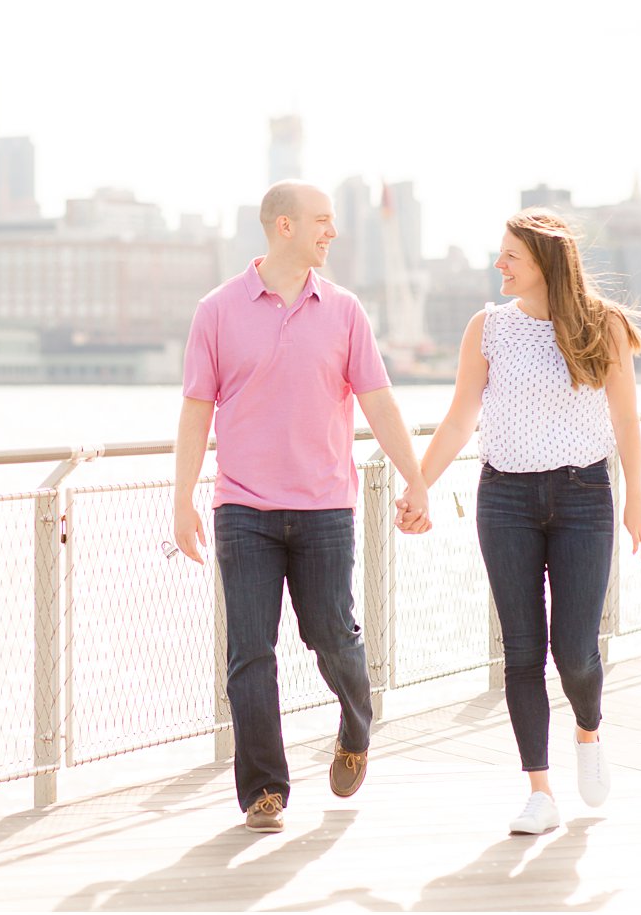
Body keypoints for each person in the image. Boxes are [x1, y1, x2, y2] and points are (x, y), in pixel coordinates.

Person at [173, 179, 430, 834]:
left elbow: (379, 403)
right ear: (282, 226)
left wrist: (417, 479)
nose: (332, 232)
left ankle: (356, 722)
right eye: (322, 220)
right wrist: (181, 498)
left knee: (330, 636)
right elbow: (197, 411)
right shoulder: (217, 310)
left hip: (323, 509)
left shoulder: (344, 312)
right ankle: (265, 789)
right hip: (244, 508)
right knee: (249, 650)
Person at [411, 207, 641, 836]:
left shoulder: (605, 327)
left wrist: (637, 499)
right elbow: (462, 417)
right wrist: (418, 484)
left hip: (583, 499)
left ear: (543, 262)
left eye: (510, 256)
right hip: (505, 500)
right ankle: (539, 791)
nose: (499, 266)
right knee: (521, 652)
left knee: (574, 652)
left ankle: (589, 731)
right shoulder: (487, 329)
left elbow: (626, 421)